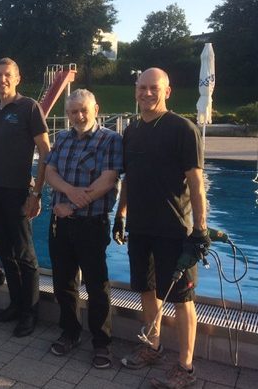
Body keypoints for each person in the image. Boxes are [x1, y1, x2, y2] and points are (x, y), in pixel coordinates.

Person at [113, 68, 209, 388]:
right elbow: (128, 179)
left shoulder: (183, 129)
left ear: (167, 91)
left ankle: (185, 367)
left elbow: (196, 184)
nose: (147, 93)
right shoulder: (132, 131)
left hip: (174, 229)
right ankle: (153, 346)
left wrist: (201, 230)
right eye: (142, 88)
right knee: (146, 288)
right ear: (136, 90)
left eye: (154, 88)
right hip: (140, 228)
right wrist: (120, 215)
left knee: (182, 298)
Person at [45, 89, 122, 369]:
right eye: (73, 111)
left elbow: (108, 179)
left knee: (96, 284)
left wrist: (73, 205)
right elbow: (50, 173)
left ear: (95, 108)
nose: (78, 115)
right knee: (63, 281)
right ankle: (70, 331)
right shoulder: (62, 138)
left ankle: (102, 342)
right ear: (67, 114)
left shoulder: (110, 139)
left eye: (83, 110)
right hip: (61, 224)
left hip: (91, 223)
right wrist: (68, 193)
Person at [0, 57, 50, 337]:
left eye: (7, 75)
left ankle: (30, 313)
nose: (2, 80)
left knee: (25, 255)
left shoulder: (29, 107)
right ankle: (15, 304)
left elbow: (46, 152)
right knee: (5, 253)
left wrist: (36, 193)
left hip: (18, 191)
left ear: (17, 78)